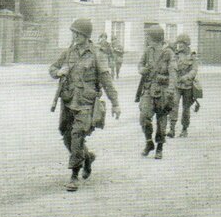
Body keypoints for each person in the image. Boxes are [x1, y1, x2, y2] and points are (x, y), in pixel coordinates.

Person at [49, 19, 120, 192]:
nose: (74, 36)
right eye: (73, 33)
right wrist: (58, 72)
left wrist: (115, 103)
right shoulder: (69, 52)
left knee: (77, 135)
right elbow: (52, 68)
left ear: (85, 35)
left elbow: (107, 81)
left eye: (77, 33)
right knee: (65, 134)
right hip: (68, 101)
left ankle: (74, 175)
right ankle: (87, 158)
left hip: (86, 103)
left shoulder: (97, 54)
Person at [137, 25, 176, 159]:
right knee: (144, 116)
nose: (146, 39)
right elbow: (140, 65)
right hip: (148, 89)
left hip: (163, 90)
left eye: (148, 36)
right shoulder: (148, 51)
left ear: (155, 38)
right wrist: (142, 70)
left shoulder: (168, 53)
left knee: (161, 120)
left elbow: (173, 72)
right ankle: (149, 142)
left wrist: (171, 89)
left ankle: (159, 147)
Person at [167, 34, 199, 138]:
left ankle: (184, 129)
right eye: (178, 43)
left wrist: (187, 77)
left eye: (181, 43)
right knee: (173, 105)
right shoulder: (176, 55)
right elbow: (172, 68)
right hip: (177, 85)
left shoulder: (192, 56)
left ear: (186, 44)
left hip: (188, 86)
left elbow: (194, 70)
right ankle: (172, 129)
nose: (179, 45)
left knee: (186, 109)